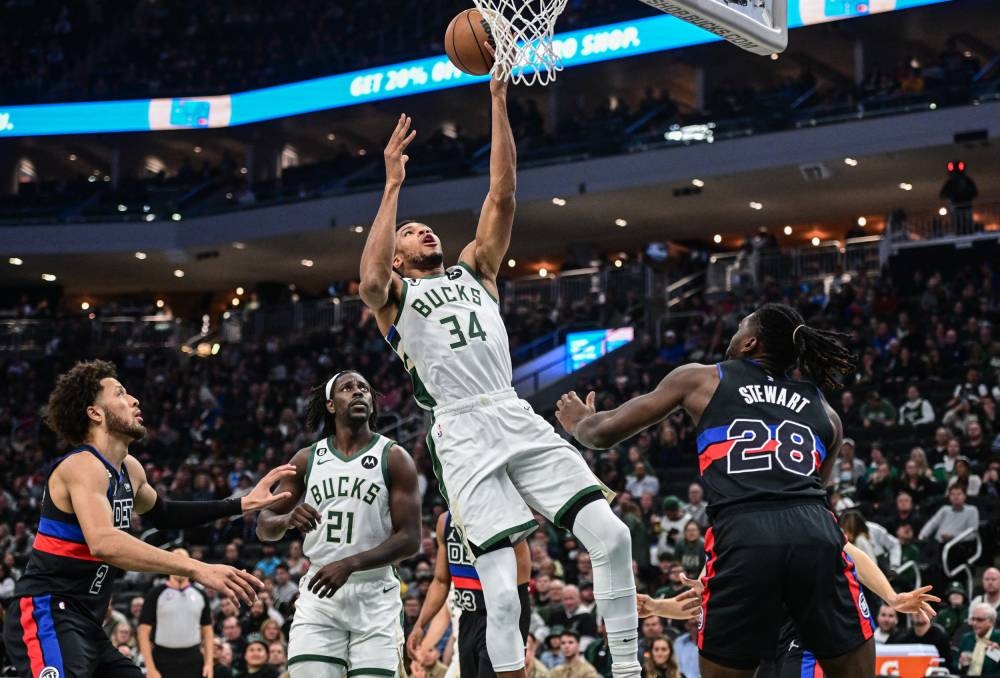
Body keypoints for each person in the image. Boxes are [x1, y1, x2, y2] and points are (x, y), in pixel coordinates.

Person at [358, 83, 640, 678]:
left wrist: (498, 101)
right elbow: (371, 280)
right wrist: (391, 186)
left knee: (612, 537)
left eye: (424, 227)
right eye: (410, 232)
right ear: (400, 255)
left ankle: (629, 670)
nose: (422, 231)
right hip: (459, 430)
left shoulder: (477, 269)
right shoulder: (396, 297)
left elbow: (503, 193)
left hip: (512, 411)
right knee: (501, 594)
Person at [556, 304, 889, 677]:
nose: (731, 335)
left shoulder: (703, 379)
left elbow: (603, 434)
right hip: (813, 530)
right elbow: (816, 488)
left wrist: (578, 422)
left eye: (739, 328)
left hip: (743, 533)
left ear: (749, 343)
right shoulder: (825, 409)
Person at [2, 360, 293, 678]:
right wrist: (198, 568)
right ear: (95, 413)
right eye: (120, 393)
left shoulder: (130, 469)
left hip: (86, 622)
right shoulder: (82, 466)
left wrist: (241, 504)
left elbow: (164, 514)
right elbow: (104, 542)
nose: (134, 400)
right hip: (47, 612)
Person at [256, 370, 421, 678]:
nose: (359, 392)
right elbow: (264, 526)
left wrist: (350, 563)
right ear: (331, 405)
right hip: (321, 592)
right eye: (348, 388)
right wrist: (286, 519)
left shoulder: (394, 457)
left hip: (374, 592)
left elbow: (410, 539)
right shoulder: (308, 459)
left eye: (364, 388)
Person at [407, 509, 531, 678]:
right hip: (466, 619)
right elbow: (441, 581)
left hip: (497, 618)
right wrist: (420, 624)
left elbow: (521, 588)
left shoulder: (505, 517)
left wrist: (520, 642)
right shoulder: (445, 521)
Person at [137, 546, 214, 678]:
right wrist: (150, 667)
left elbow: (207, 631)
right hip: (162, 658)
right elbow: (143, 632)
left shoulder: (200, 594)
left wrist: (209, 663)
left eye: (182, 560)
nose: (179, 565)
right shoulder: (155, 594)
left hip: (193, 658)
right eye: (175, 560)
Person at [957, 603, 999, 676]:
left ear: (992, 621)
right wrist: (961, 664)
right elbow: (955, 665)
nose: (974, 623)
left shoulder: (998, 638)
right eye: (973, 619)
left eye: (980, 620)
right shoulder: (966, 638)